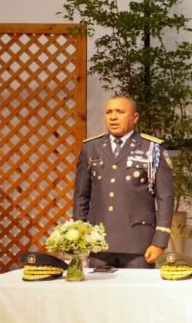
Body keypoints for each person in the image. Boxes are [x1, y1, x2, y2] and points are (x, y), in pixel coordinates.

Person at [72, 96, 175, 268]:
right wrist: (79, 237)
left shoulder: (151, 148)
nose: (113, 117)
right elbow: (81, 196)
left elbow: (165, 198)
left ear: (135, 117)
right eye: (109, 112)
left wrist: (160, 242)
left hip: (138, 244)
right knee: (99, 295)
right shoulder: (91, 148)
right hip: (99, 243)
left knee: (137, 294)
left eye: (120, 112)